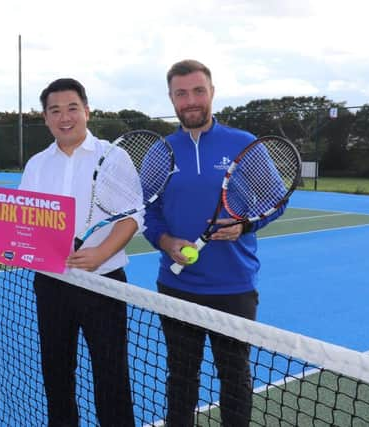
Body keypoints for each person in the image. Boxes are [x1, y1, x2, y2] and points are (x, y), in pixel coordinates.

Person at [143, 59, 286, 426]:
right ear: (172, 98)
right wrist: (164, 240)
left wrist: (245, 225)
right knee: (181, 378)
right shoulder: (161, 151)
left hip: (233, 287)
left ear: (212, 92)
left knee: (235, 379)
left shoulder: (243, 144)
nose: (190, 100)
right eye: (181, 93)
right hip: (176, 286)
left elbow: (275, 200)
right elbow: (147, 211)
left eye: (198, 91)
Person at [18, 78, 139, 427]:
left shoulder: (113, 157)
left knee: (111, 376)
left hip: (104, 283)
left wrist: (101, 253)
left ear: (86, 111)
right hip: (52, 285)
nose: (64, 117)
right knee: (56, 373)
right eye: (55, 110)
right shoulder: (37, 164)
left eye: (72, 108)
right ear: (45, 118)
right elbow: (28, 220)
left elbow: (132, 216)